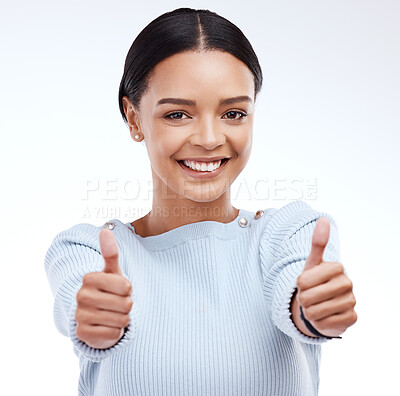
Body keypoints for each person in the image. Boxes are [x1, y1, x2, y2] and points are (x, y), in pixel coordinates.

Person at [44, 7, 357, 396]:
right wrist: (93, 319)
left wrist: (314, 310)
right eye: (178, 114)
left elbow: (299, 296)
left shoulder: (291, 234)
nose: (209, 138)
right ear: (134, 118)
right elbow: (80, 303)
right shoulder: (88, 251)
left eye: (233, 113)